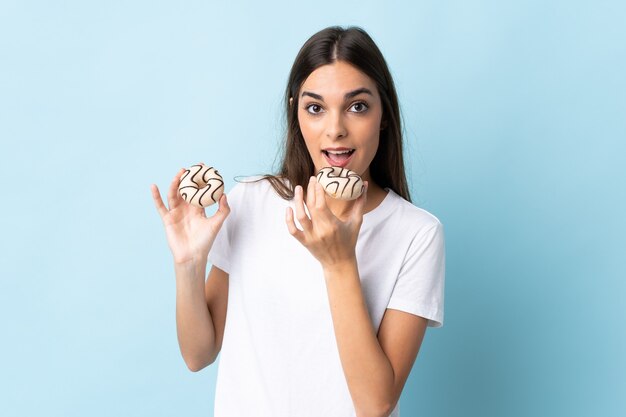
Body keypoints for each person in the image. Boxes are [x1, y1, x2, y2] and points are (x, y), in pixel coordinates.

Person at [151, 25, 445, 417]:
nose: (335, 128)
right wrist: (188, 265)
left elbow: (375, 404)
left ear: (384, 116)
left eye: (357, 106)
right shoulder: (253, 203)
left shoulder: (417, 234)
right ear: (296, 112)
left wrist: (340, 263)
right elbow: (197, 354)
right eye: (315, 107)